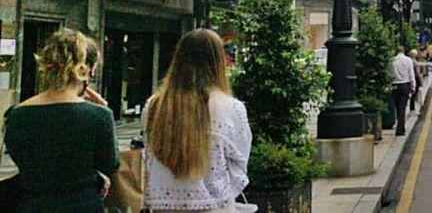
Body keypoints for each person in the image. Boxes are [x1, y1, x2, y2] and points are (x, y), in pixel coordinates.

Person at [3, 28, 118, 212]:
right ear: (86, 70)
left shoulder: (18, 114)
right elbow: (110, 164)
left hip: (33, 206)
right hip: (83, 205)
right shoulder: (99, 116)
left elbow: (20, 159)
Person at [142, 29, 252, 213]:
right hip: (216, 207)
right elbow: (239, 166)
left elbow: (148, 157)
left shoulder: (154, 106)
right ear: (218, 62)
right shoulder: (232, 109)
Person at [390, 43, 417, 135]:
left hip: (394, 85)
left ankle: (400, 126)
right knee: (402, 107)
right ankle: (400, 129)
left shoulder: (392, 60)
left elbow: (390, 74)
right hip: (405, 85)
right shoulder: (408, 60)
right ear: (403, 51)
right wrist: (413, 86)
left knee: (397, 108)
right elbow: (411, 74)